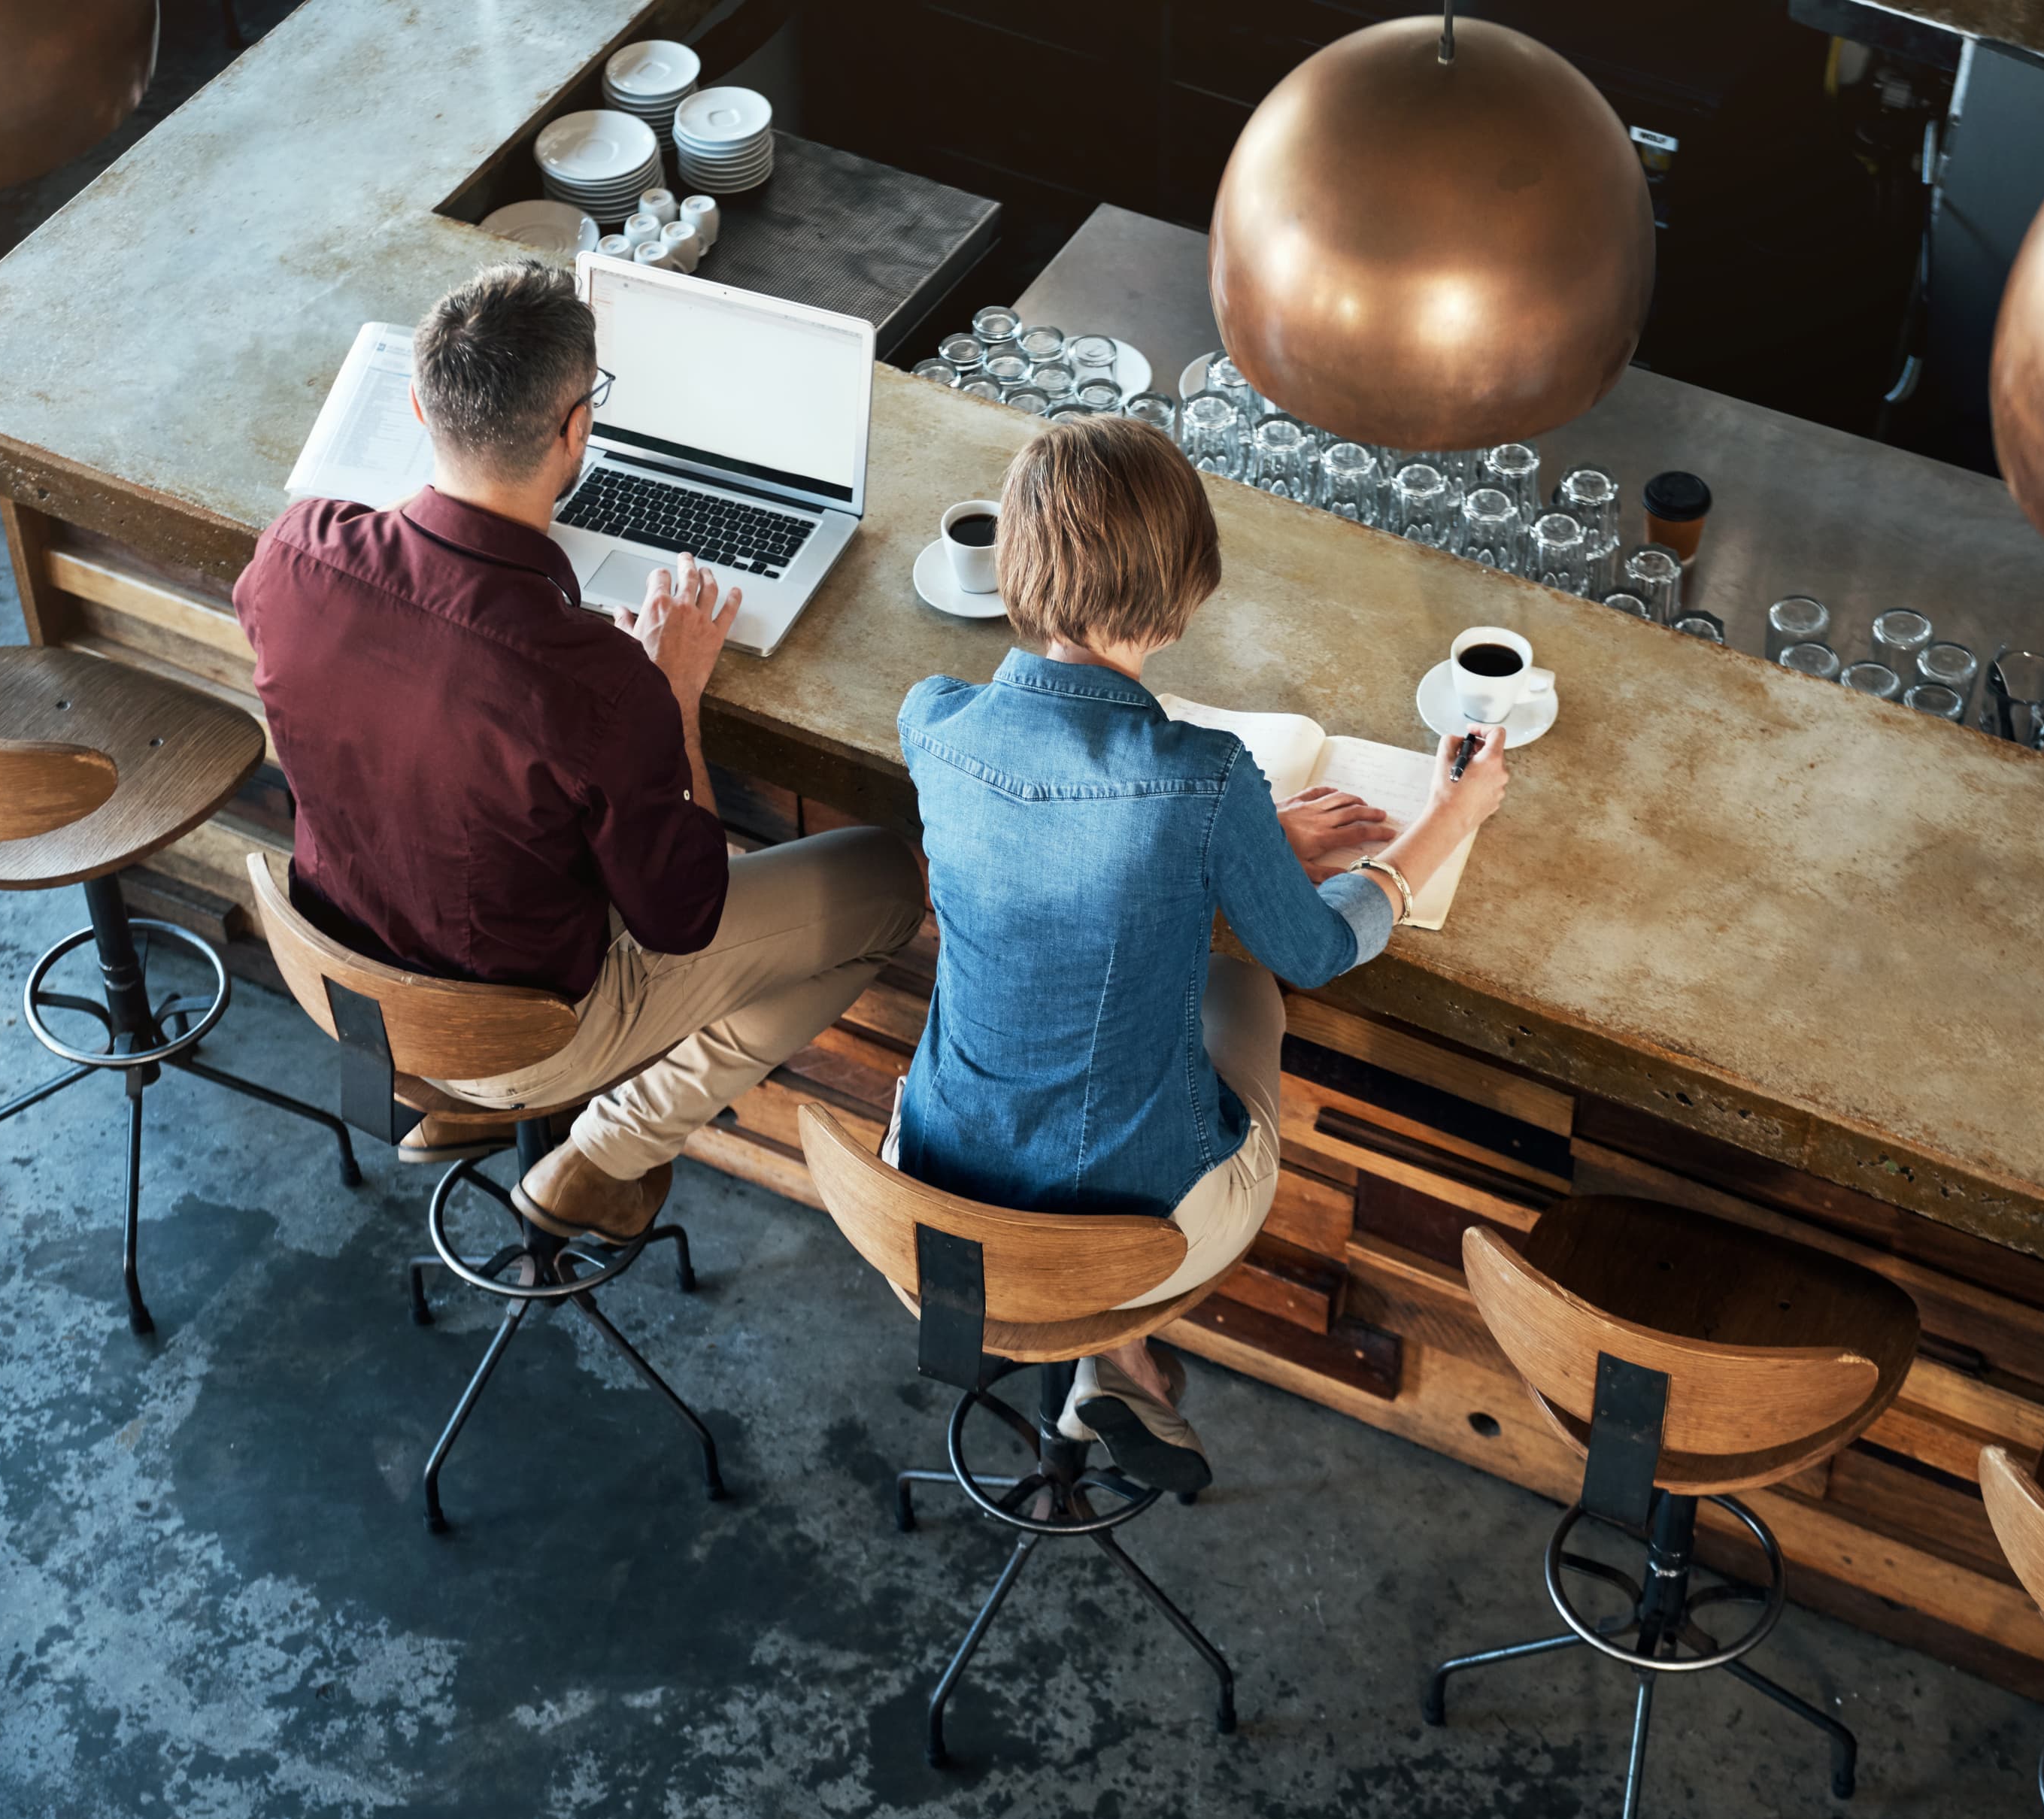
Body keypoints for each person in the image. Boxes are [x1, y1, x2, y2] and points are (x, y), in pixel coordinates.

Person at [237, 262, 924, 1243]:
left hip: (350, 975)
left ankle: (460, 1091)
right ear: (575, 431)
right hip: (528, 1025)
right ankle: (605, 1152)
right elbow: (682, 918)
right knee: (885, 883)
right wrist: (672, 691)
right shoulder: (598, 680)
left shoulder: (297, 550)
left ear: (417, 407)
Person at [892, 416, 1510, 1491]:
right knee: (1246, 987)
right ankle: (1112, 1344)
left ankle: (1112, 1360)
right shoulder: (1207, 776)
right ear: (1184, 589)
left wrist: (1249, 840)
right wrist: (1447, 820)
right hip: (1142, 1232)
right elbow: (1314, 949)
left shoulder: (932, 721)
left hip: (933, 1196)